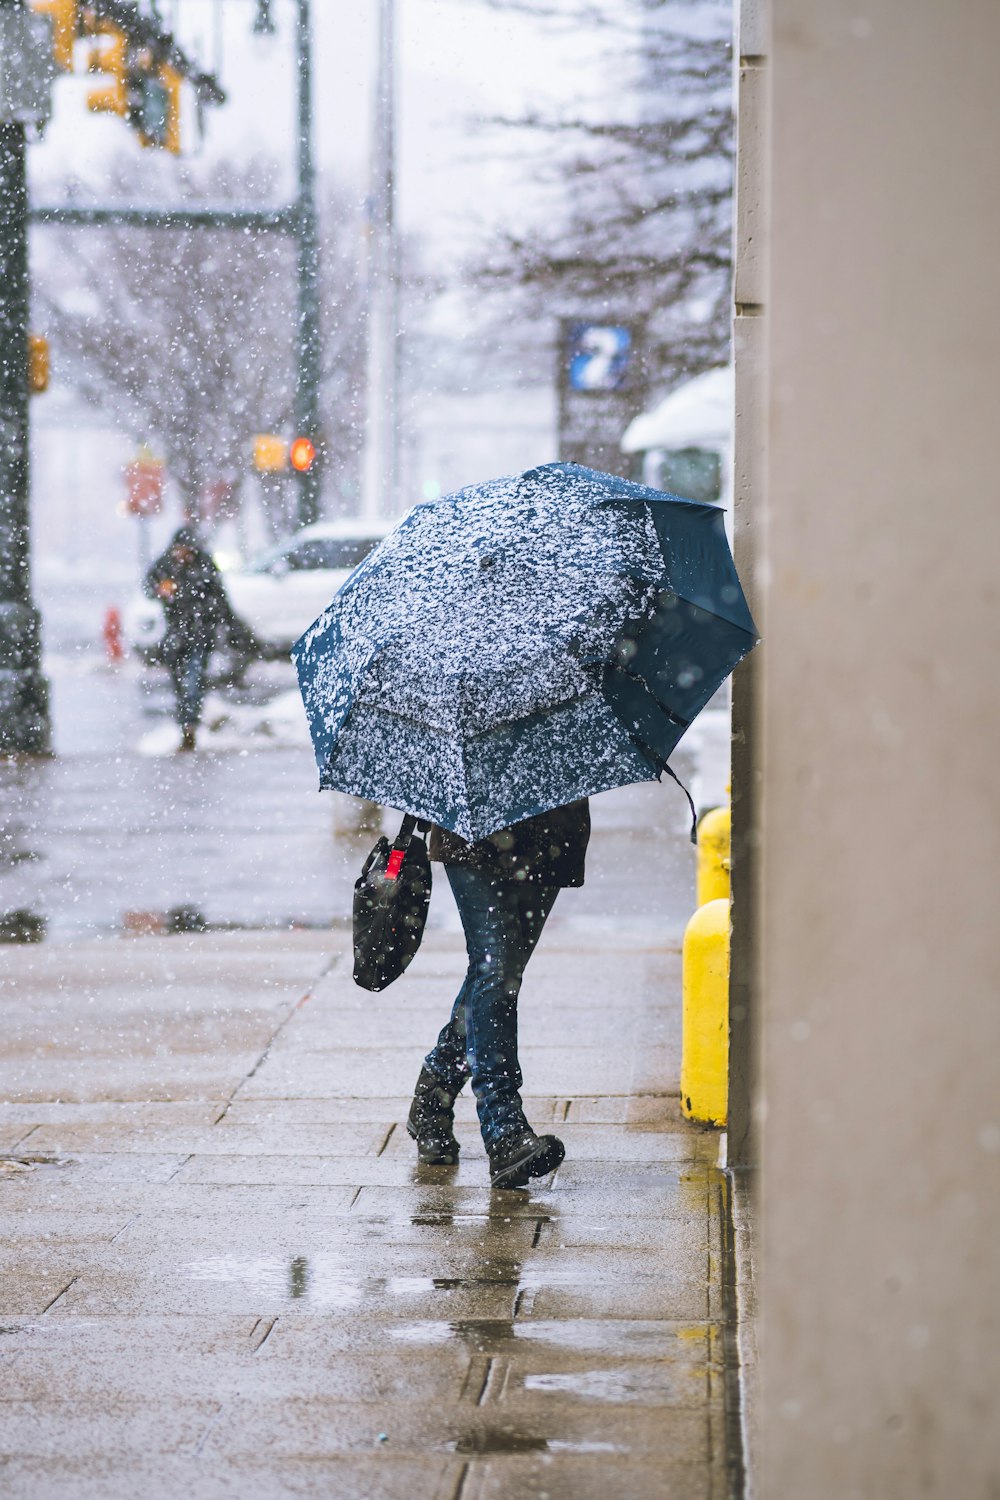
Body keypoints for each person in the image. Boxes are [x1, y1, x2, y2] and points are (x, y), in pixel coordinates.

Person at [407, 799, 591, 1189]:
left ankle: (434, 1091)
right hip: (472, 825)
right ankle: (503, 1127)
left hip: (549, 827)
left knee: (498, 970)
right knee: (497, 968)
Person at [144, 526, 254, 752]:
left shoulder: (204, 566)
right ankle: (186, 721)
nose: (181, 554)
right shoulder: (166, 565)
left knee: (193, 681)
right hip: (176, 635)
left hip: (201, 634)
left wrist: (225, 623)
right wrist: (160, 591)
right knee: (179, 682)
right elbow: (149, 587)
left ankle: (189, 726)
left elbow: (220, 598)